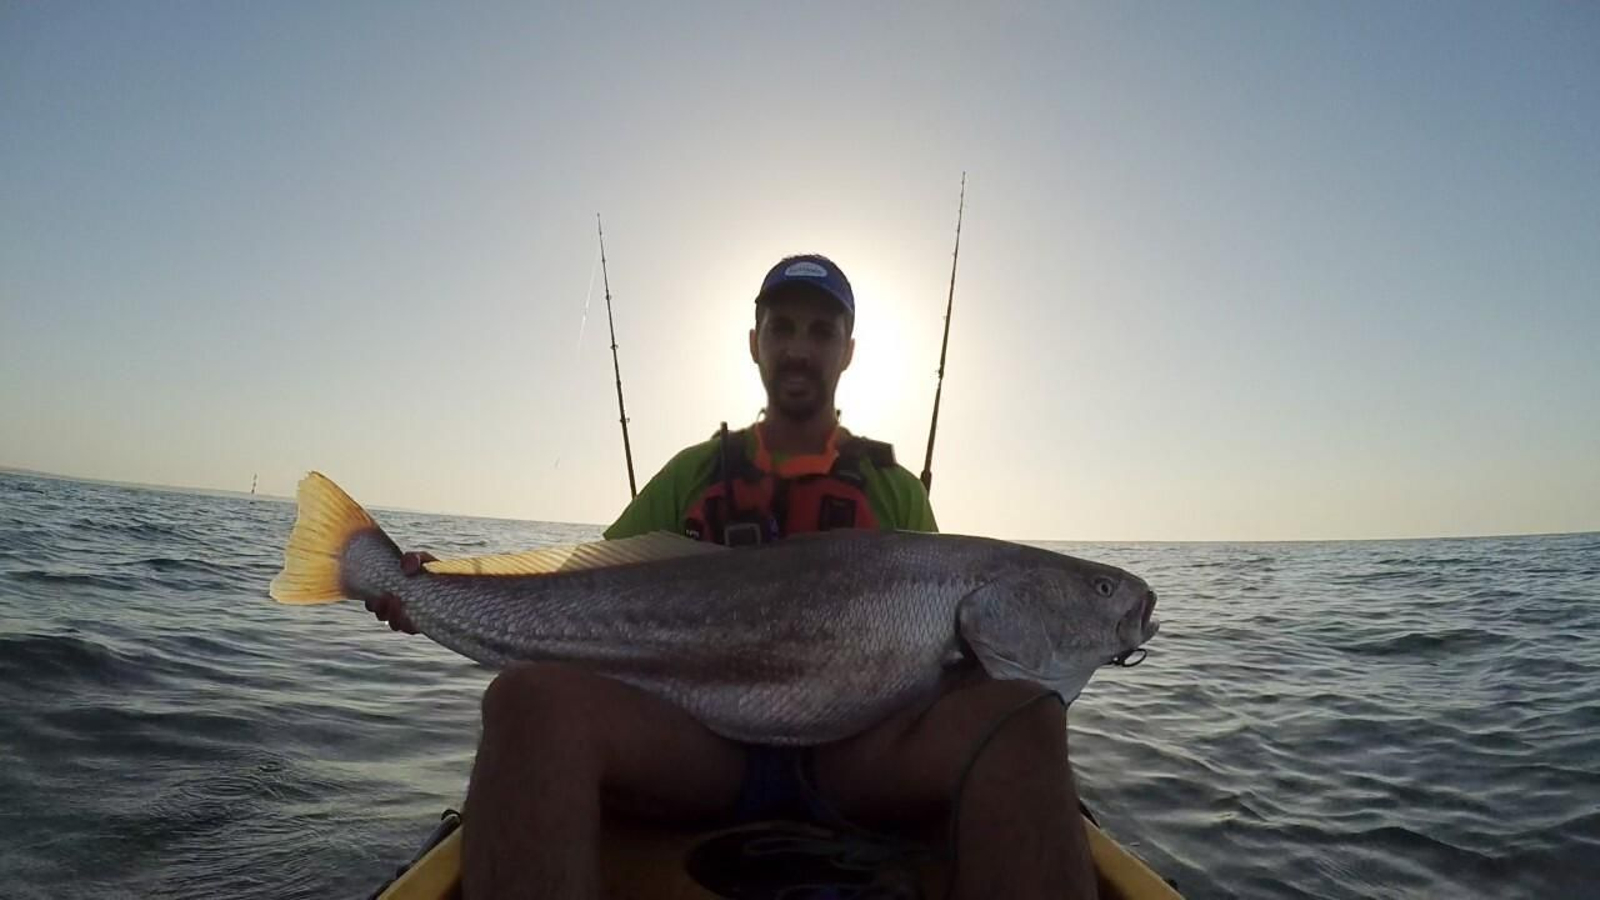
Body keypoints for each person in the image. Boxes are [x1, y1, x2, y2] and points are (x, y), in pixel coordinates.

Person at [369, 254, 1099, 899]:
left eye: (820, 332)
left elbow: (950, 684)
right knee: (526, 701)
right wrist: (434, 585)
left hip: (858, 756)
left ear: (848, 351)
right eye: (782, 328)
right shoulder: (690, 475)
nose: (798, 349)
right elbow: (582, 593)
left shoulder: (895, 490)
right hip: (699, 749)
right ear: (755, 344)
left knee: (1026, 721)